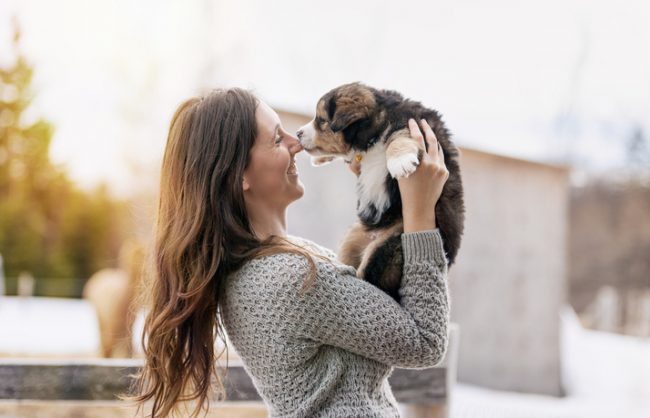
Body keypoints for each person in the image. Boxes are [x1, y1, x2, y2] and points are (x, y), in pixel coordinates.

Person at [131, 88, 450, 418]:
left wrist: (378, 185)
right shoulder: (293, 278)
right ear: (239, 174)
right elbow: (425, 340)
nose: (296, 142)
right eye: (276, 139)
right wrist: (420, 214)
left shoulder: (270, 267)